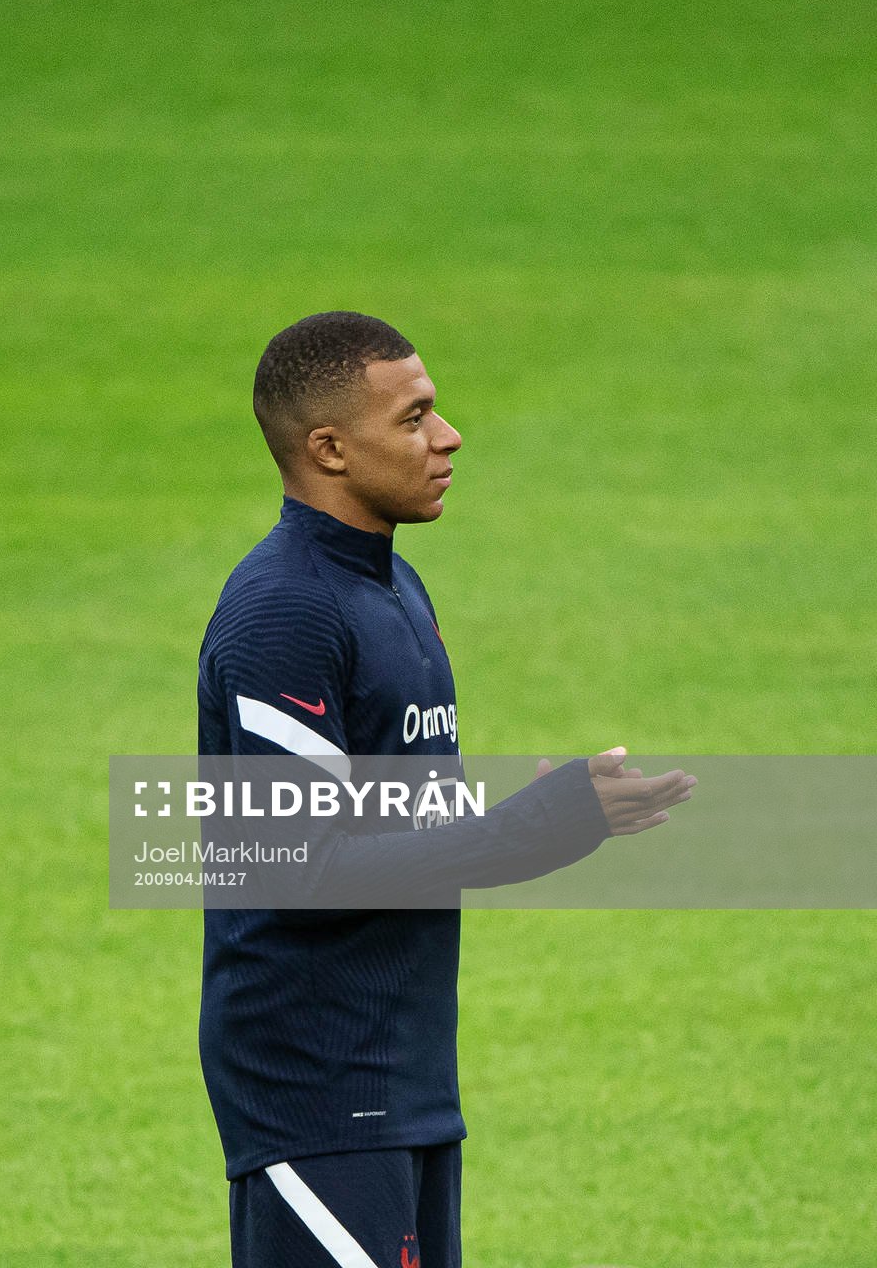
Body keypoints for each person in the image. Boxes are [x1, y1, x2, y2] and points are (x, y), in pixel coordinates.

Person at [196, 312, 693, 1267]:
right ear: (329, 449)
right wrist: (528, 830)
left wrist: (545, 820)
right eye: (415, 416)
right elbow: (300, 867)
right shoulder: (285, 613)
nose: (449, 436)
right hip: (317, 1087)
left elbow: (397, 829)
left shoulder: (393, 590)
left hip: (404, 1074)